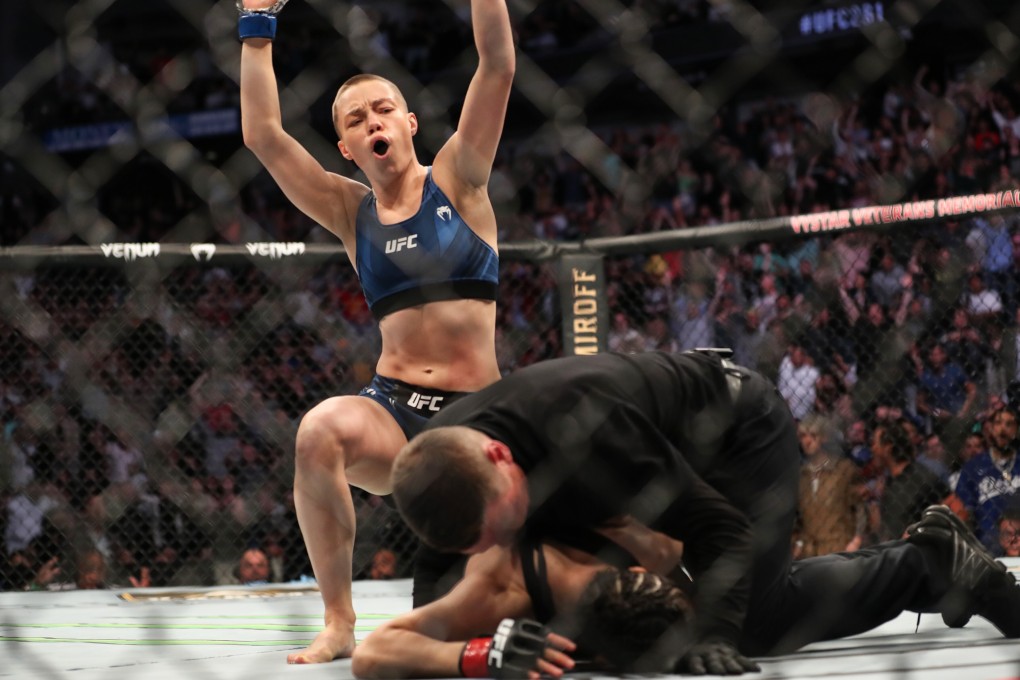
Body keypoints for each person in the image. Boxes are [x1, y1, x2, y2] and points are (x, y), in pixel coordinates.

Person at [388, 350, 1020, 673]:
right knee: (624, 614)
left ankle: (930, 564)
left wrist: (714, 638)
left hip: (736, 429)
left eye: (504, 519)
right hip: (649, 452)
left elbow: (723, 531)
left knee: (754, 619)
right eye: (485, 539)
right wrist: (454, 648)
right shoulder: (446, 464)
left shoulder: (587, 435)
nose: (505, 538)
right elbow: (435, 574)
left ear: (501, 456)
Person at [237, 0, 515, 662]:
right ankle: (338, 621)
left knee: (493, 586)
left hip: (479, 417)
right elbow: (263, 136)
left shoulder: (460, 178)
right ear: (347, 146)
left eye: (383, 109)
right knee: (317, 433)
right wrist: (254, 23)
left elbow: (498, 65)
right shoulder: (347, 209)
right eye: (357, 120)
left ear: (410, 122)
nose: (373, 122)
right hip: (394, 414)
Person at [956, 406, 1020, 551]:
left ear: (1016, 430)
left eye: (1009, 424)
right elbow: (965, 511)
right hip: (988, 545)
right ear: (990, 428)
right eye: (998, 423)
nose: (1002, 429)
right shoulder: (973, 467)